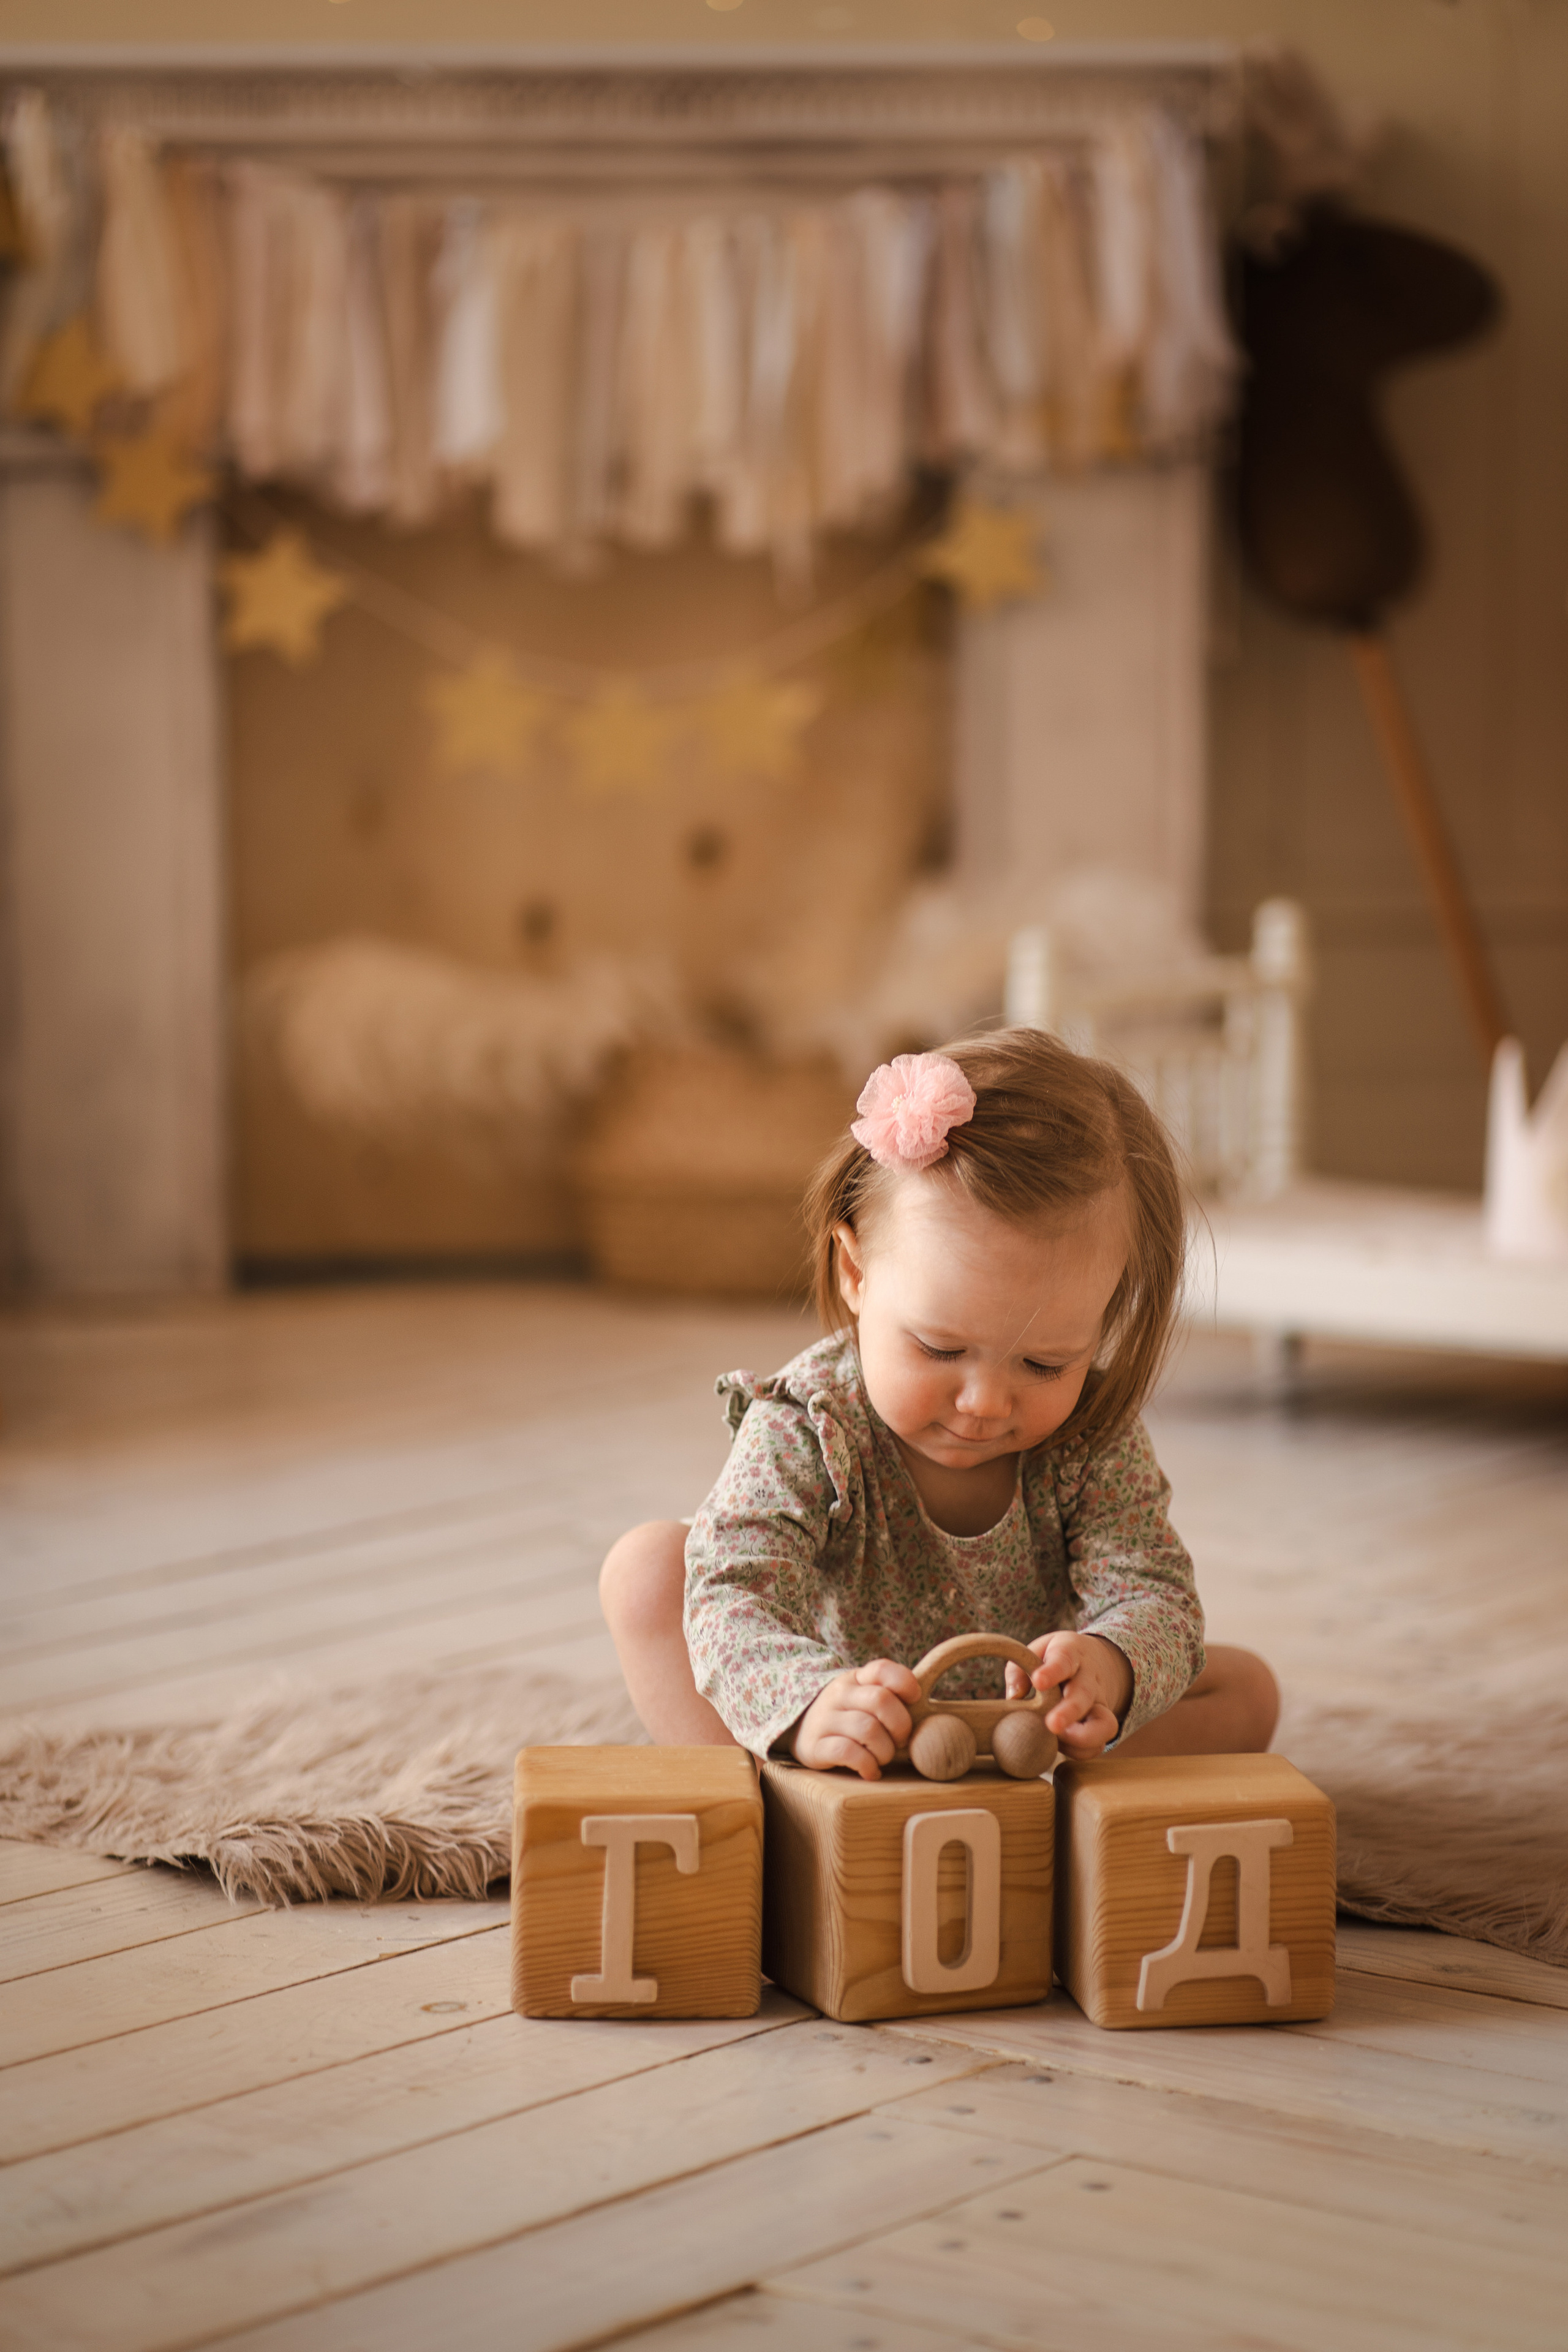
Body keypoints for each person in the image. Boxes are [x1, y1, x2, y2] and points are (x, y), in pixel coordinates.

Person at [600, 1030, 1278, 1777]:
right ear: (855, 1274)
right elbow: (735, 1586)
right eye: (940, 1349)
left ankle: (1051, 1802)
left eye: (1045, 1362)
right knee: (649, 1571)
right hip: (846, 1728)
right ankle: (772, 1802)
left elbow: (1152, 1590)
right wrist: (808, 1701)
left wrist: (1108, 1666)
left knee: (1244, 1688)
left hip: (1025, 1732)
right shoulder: (810, 1423)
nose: (985, 1402)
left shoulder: (1091, 1438)